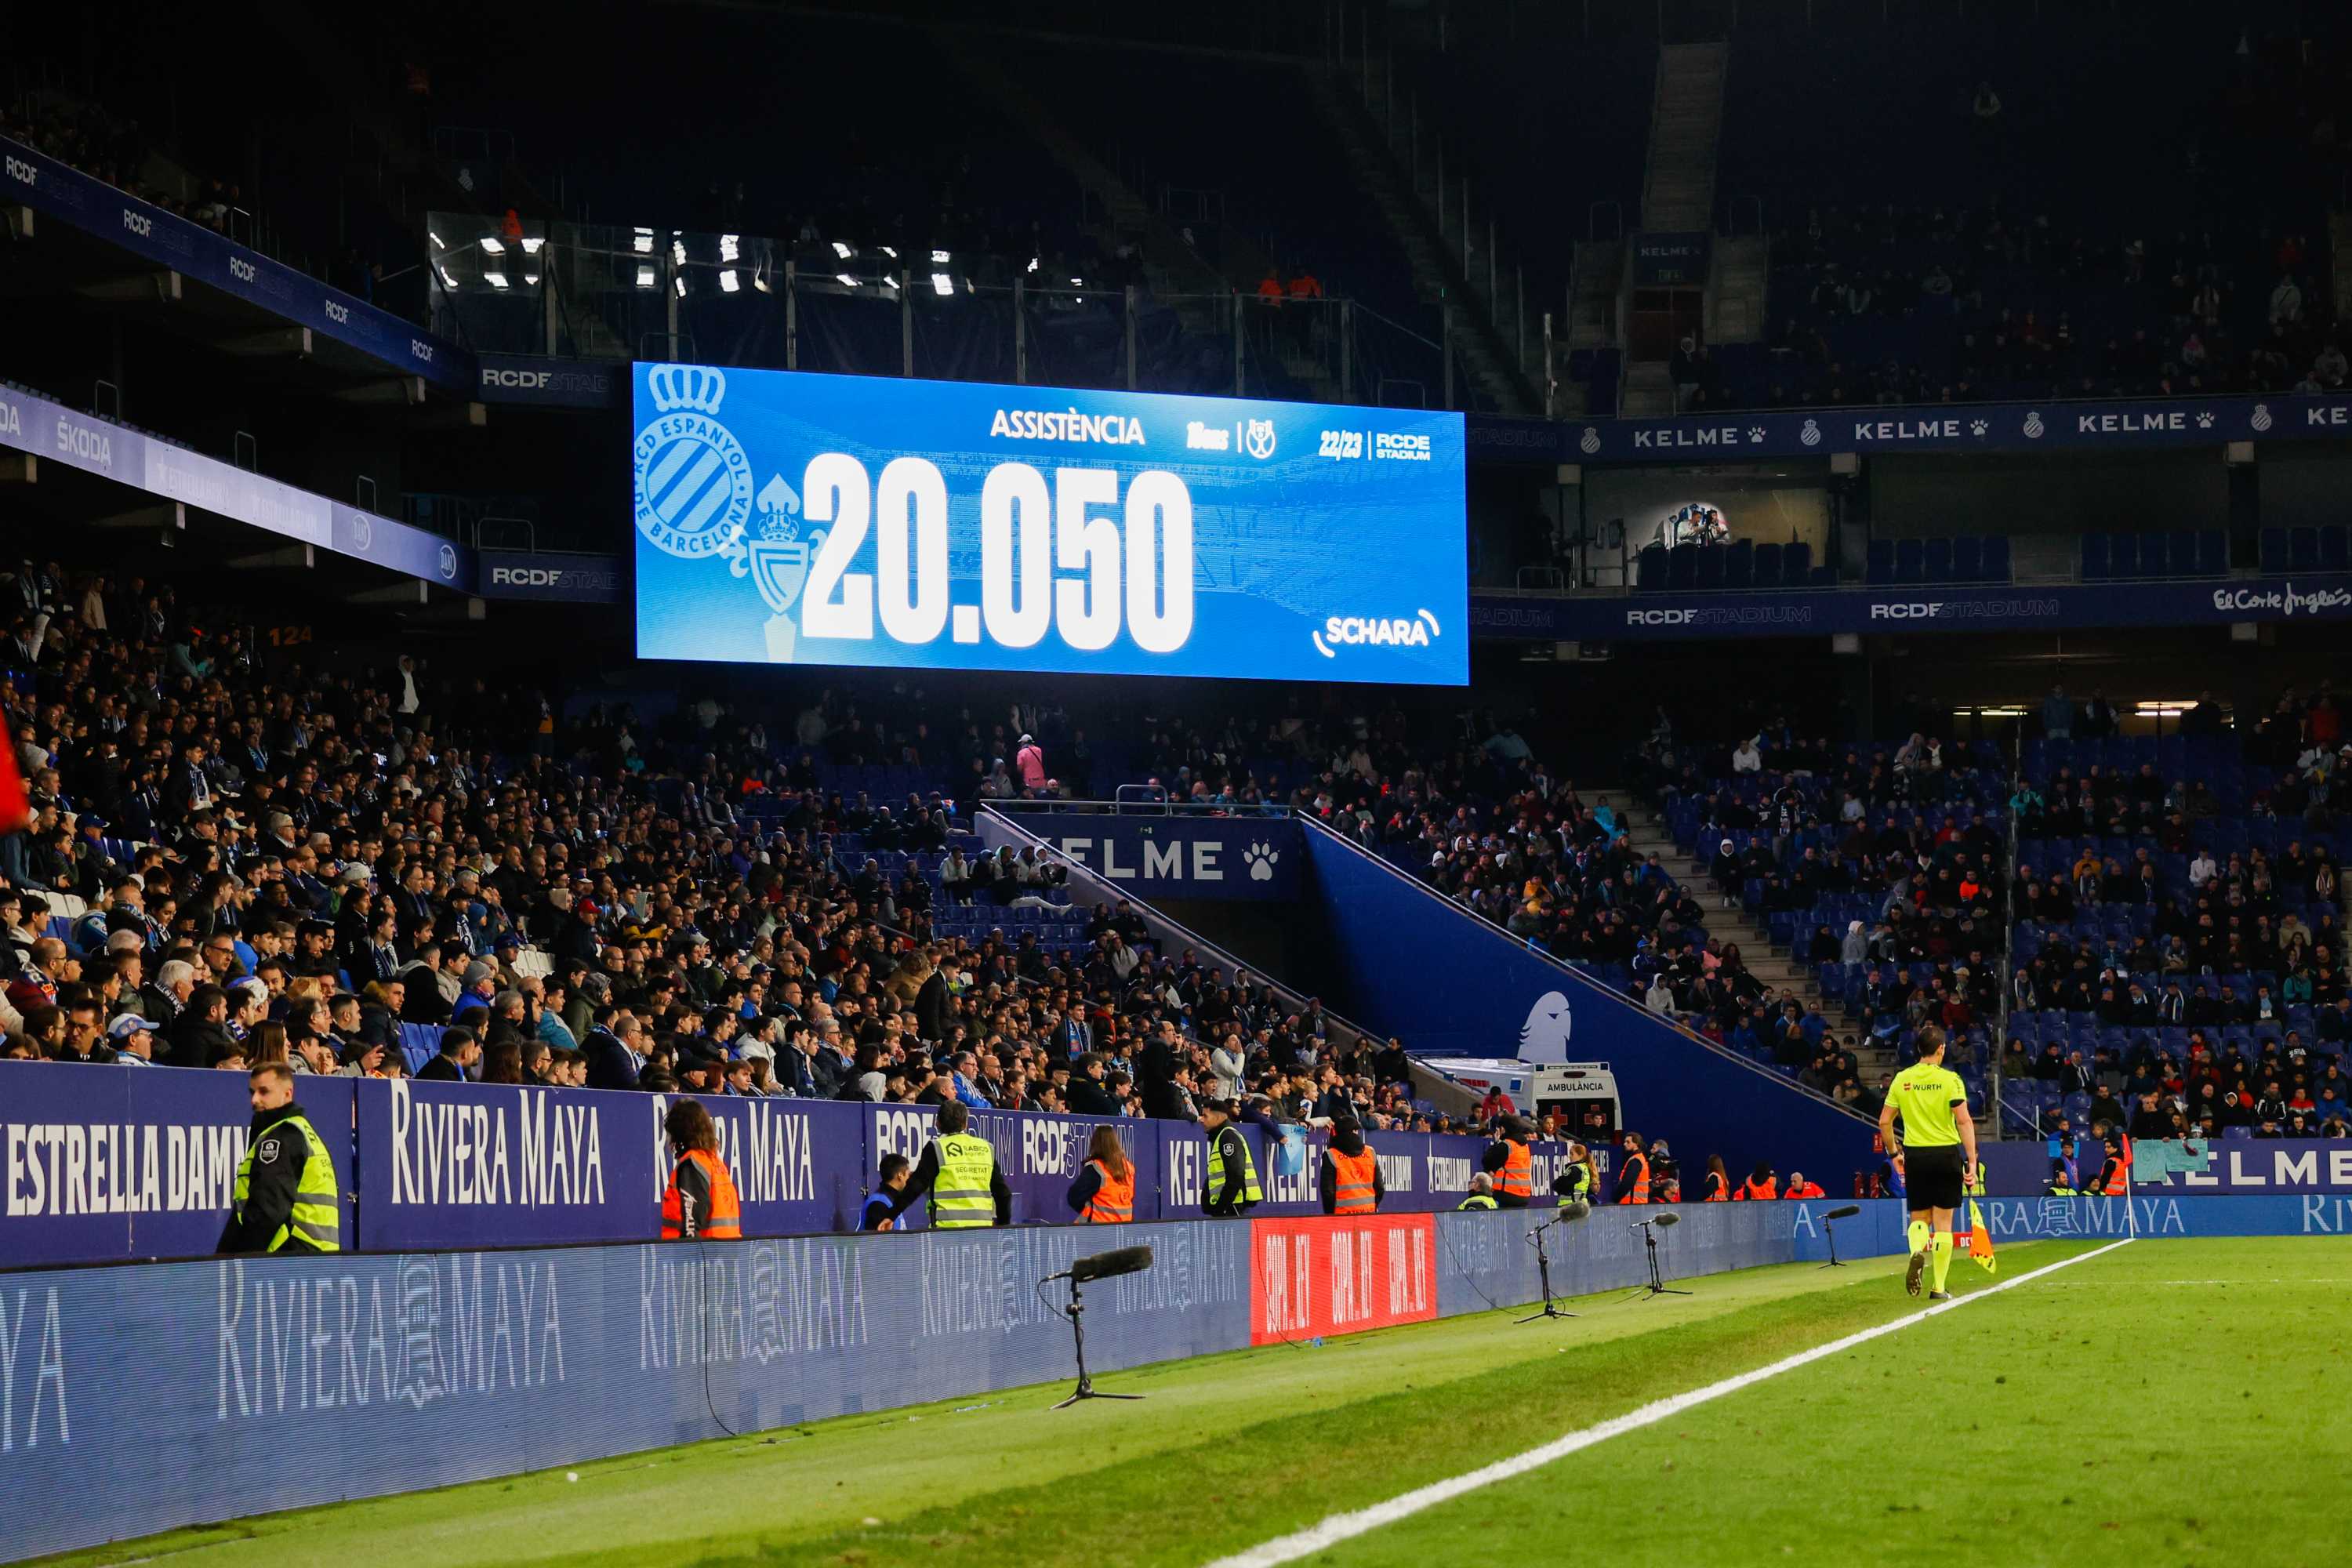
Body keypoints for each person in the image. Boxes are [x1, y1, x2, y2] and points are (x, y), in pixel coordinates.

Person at [1877, 1024, 1977, 1301]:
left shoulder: (1902, 1079)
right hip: (1945, 1154)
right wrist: (1972, 1161)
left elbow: (1884, 1122)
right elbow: (1964, 1121)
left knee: (1919, 1218)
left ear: (1919, 1049)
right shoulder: (1951, 1080)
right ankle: (1939, 1288)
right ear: (1941, 1049)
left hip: (1916, 1155)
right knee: (1943, 1223)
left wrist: (1894, 1154)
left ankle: (1916, 1252)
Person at [216, 1063, 341, 1255]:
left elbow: (267, 1212)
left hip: (287, 1260)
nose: (254, 1100)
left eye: (264, 1092)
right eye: (252, 1092)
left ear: (288, 1094)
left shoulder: (281, 1138)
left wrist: (237, 1259)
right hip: (314, 1259)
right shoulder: (303, 1131)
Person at [884, 1099, 1010, 1229]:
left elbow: (915, 1187)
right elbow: (1003, 1194)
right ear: (966, 1124)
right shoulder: (986, 1148)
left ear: (937, 1123)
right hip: (982, 1231)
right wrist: (1003, 1226)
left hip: (946, 1232)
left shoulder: (936, 1148)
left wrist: (892, 1215)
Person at [659, 1098, 742, 1240]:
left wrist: (689, 1249)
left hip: (702, 1250)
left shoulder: (692, 1165)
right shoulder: (714, 1162)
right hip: (727, 1247)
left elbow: (692, 1221)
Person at [1200, 1098, 1261, 1217]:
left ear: (1218, 1117)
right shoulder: (1221, 1136)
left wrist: (1221, 1206)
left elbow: (1236, 1175)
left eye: (1205, 1116)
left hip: (1232, 1207)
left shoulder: (1228, 1137)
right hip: (1230, 1206)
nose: (1201, 1120)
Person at [1065, 1125, 1134, 1224]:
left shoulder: (1096, 1169)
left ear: (1095, 1143)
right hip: (1125, 1229)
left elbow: (1073, 1197)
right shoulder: (1128, 1167)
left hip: (1098, 1229)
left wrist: (1089, 1208)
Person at [1320, 1116, 1383, 1215]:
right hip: (1368, 1212)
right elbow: (1379, 1188)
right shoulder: (1370, 1152)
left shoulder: (1331, 1155)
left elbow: (1328, 1192)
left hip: (1341, 1214)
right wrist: (1373, 1206)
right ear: (1355, 1131)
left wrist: (1330, 1214)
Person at [1480, 1116, 1535, 1207]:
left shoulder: (1506, 1145)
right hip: (1523, 1194)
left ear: (1502, 1129)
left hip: (1506, 1193)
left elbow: (1487, 1161)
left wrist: (1496, 1143)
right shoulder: (1525, 1146)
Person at [860, 1153, 910, 1232]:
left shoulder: (891, 1200)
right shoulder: (879, 1205)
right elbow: (879, 1239)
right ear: (900, 1175)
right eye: (909, 1175)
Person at [1613, 1128, 1652, 1204]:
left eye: (1628, 1142)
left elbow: (1627, 1184)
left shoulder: (1635, 1161)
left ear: (1636, 1144)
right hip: (1637, 1203)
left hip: (1632, 1204)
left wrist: (1615, 1199)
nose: (1625, 1144)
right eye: (1625, 1142)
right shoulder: (1640, 1158)